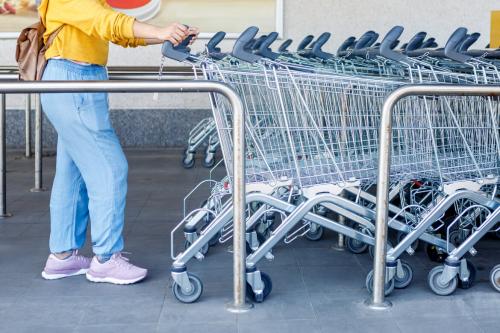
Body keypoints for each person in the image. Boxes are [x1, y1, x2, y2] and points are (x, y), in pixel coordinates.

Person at [38, 0, 198, 285]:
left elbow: (118, 31)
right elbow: (106, 21)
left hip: (78, 81)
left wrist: (165, 34)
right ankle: (105, 260)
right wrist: (160, 31)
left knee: (72, 174)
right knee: (110, 168)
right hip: (73, 82)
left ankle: (62, 257)